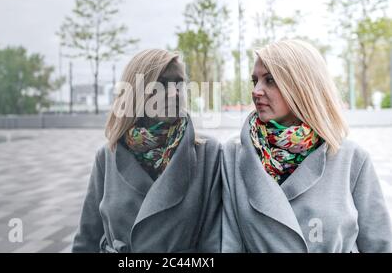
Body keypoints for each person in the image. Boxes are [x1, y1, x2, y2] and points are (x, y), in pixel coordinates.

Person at [222, 39, 392, 252]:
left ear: (301, 86)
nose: (256, 91)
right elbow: (226, 243)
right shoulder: (234, 155)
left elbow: (380, 246)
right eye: (254, 81)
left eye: (270, 80)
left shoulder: (352, 158)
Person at [72, 49, 221, 253]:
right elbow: (86, 240)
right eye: (161, 83)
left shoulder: (209, 153)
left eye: (179, 83)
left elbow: (216, 242)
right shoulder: (107, 156)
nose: (174, 92)